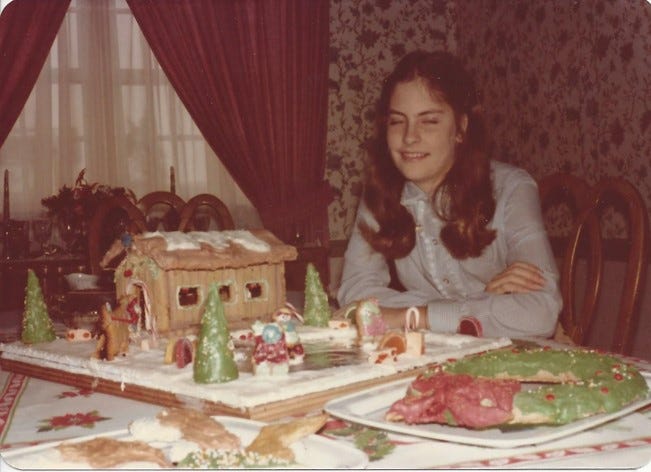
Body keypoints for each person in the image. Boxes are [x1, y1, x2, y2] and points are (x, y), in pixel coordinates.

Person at [337, 50, 561, 338]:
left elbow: (540, 314)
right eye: (397, 121)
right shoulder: (380, 193)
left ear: (461, 128)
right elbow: (356, 295)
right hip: (441, 355)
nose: (409, 137)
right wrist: (478, 305)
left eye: (428, 121)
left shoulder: (512, 189)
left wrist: (412, 316)